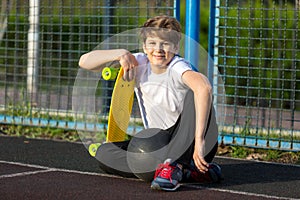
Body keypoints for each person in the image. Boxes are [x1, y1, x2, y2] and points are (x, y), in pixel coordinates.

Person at [78, 15, 222, 191]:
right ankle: (185, 171)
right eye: (152, 43)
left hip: (192, 142)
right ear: (145, 46)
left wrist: (199, 142)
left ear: (176, 47)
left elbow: (204, 88)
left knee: (194, 95)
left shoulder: (178, 66)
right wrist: (120, 54)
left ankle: (175, 165)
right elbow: (84, 61)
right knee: (104, 153)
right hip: (157, 141)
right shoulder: (139, 62)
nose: (158, 49)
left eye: (165, 44)